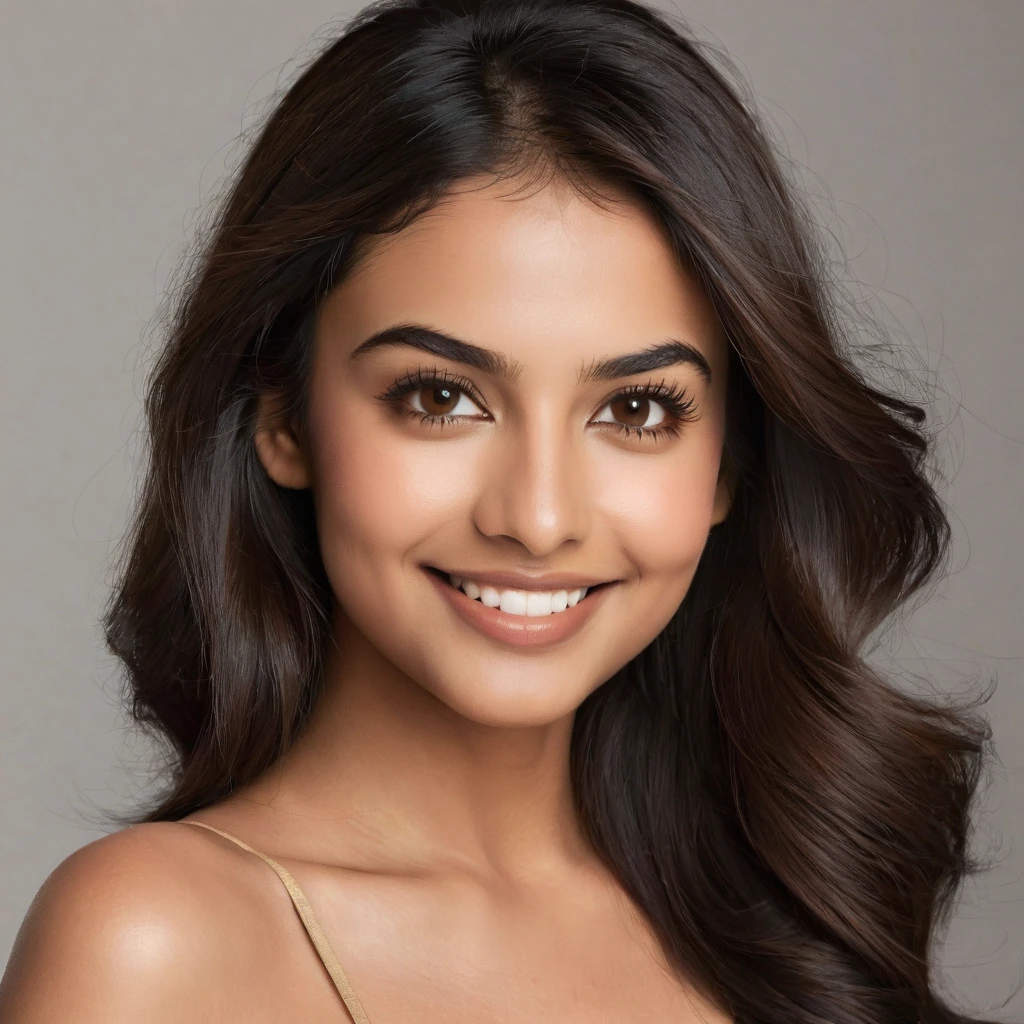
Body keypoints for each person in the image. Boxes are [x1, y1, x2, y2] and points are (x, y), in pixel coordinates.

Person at [0, 0, 995, 1021]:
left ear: (728, 462)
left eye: (636, 408)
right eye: (440, 397)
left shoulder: (792, 919)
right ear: (283, 417)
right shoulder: (152, 944)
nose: (538, 515)